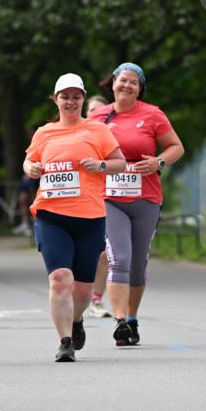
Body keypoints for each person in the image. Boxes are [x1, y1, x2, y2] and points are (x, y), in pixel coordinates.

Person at [24, 73, 125, 362]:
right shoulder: (44, 132)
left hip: (89, 217)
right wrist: (31, 168)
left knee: (82, 290)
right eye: (65, 97)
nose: (70, 101)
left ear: (83, 99)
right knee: (60, 279)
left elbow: (120, 163)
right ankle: (65, 342)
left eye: (76, 97)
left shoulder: (98, 130)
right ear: (55, 100)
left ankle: (77, 319)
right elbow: (29, 160)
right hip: (51, 215)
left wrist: (100, 165)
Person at [88, 62, 184, 347]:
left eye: (133, 82)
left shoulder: (153, 115)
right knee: (120, 258)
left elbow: (176, 147)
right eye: (123, 80)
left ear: (140, 89)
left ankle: (131, 318)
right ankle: (120, 322)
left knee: (138, 264)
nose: (127, 85)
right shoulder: (98, 117)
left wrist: (158, 162)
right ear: (113, 83)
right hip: (109, 198)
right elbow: (81, 147)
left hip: (146, 198)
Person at [85, 94, 111, 318]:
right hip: (84, 201)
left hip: (110, 199)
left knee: (104, 253)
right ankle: (76, 294)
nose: (97, 114)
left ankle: (96, 299)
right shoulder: (78, 136)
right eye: (93, 110)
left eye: (102, 111)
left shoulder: (112, 139)